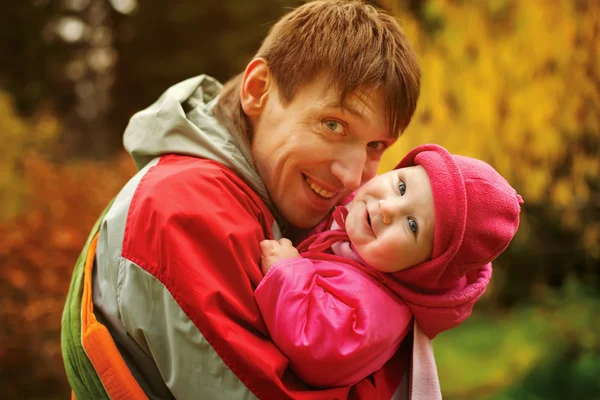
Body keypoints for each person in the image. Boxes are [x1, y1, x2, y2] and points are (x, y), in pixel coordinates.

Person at [61, 1, 423, 399]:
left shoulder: (266, 199)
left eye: (375, 145)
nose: (352, 176)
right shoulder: (184, 208)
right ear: (258, 90)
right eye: (333, 125)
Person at [255, 143, 524, 388]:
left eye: (412, 225)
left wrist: (288, 272)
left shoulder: (377, 309)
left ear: (423, 268)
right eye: (402, 187)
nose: (388, 208)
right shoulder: (351, 214)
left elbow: (318, 348)